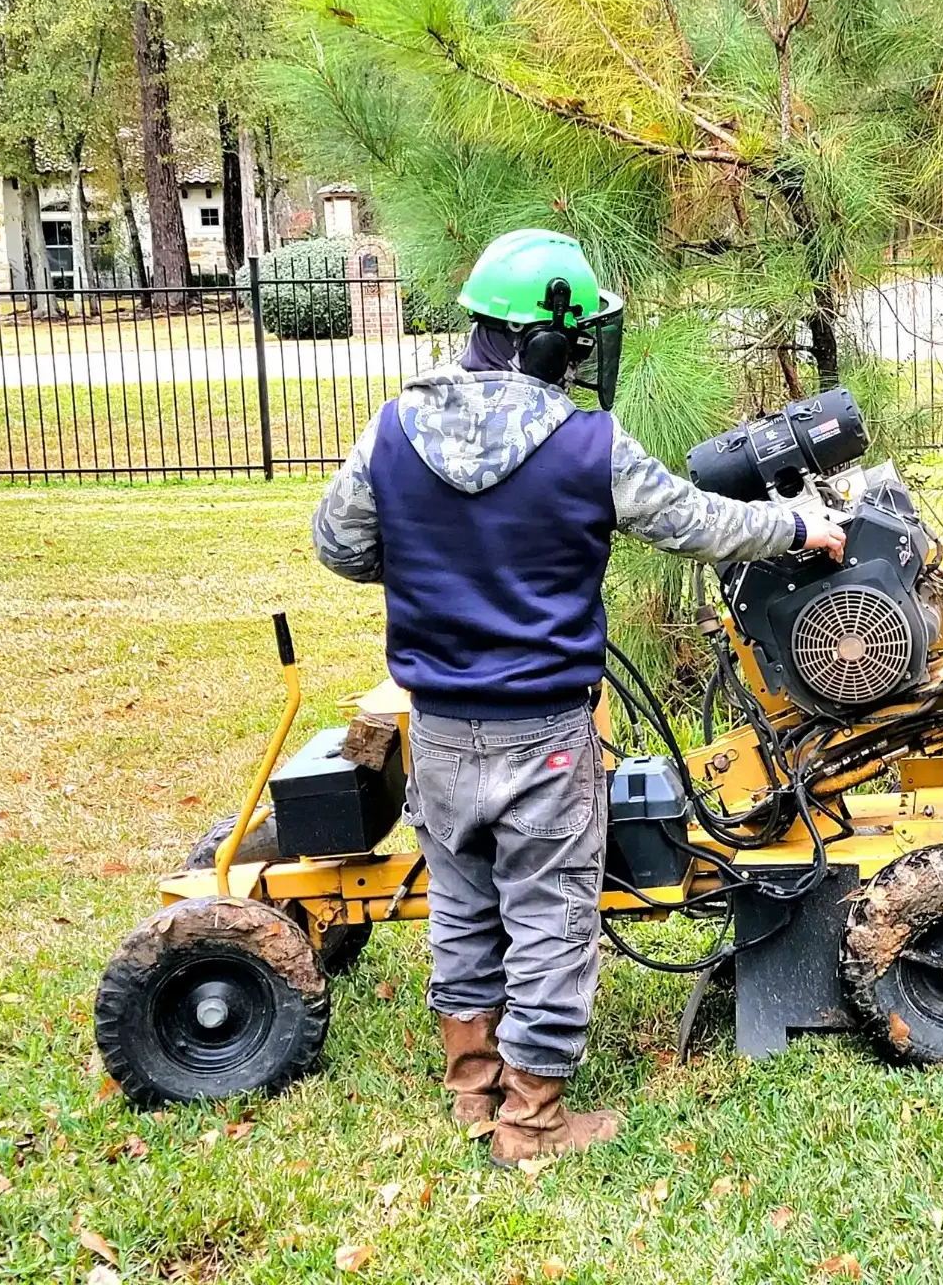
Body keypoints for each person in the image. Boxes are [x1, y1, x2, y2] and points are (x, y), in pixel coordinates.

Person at [310, 229, 843, 1166]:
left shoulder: (393, 429)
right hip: (546, 735)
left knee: (464, 911)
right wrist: (798, 526)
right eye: (578, 336)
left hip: (440, 730)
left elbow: (340, 546)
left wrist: (439, 560)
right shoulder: (585, 444)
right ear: (547, 339)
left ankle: (473, 1093)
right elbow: (694, 523)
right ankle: (532, 1123)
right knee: (553, 920)